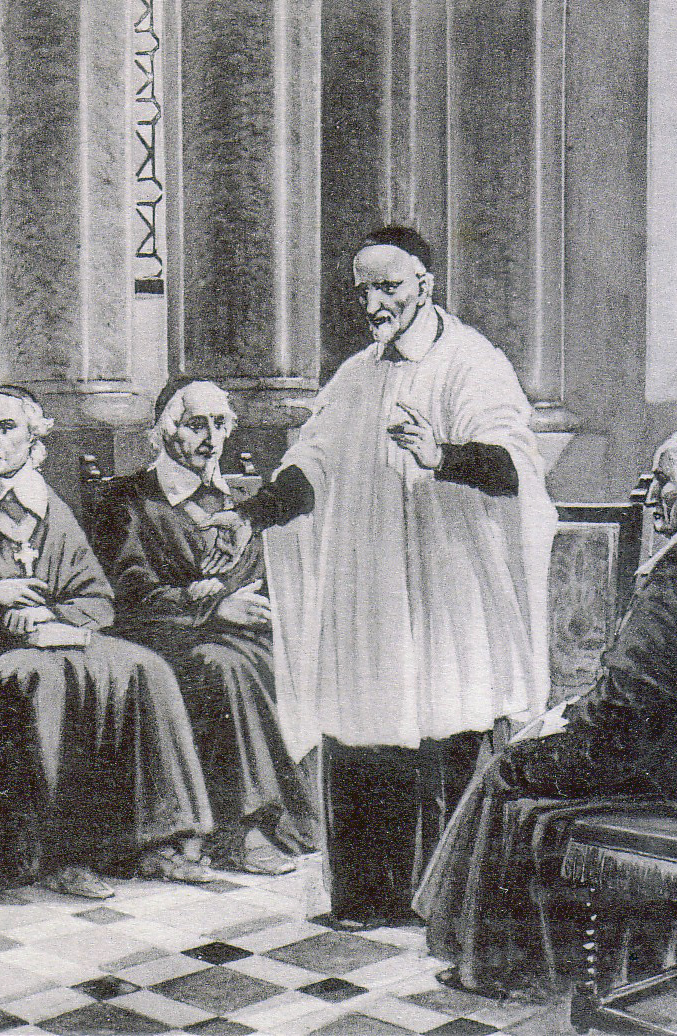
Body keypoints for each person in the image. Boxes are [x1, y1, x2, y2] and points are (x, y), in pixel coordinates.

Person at [204, 226, 556, 927]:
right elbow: (313, 463)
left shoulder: (471, 361)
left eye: (389, 286)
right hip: (369, 589)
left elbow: (515, 463)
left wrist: (443, 455)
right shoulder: (355, 375)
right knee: (363, 727)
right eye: (363, 288)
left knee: (447, 730)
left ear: (425, 284)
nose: (373, 303)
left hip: (445, 589)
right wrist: (254, 513)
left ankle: (448, 903)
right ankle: (368, 899)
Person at [413, 428, 677, 996]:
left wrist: (568, 719)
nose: (649, 495)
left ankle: (498, 964)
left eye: (661, 481)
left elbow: (626, 708)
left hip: (671, 776)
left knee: (509, 766)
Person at [0, 386, 214, 898]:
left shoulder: (50, 506)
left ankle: (160, 839)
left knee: (146, 667)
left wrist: (50, 615)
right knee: (44, 679)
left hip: (52, 640)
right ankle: (58, 854)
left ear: (33, 438)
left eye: (7, 429)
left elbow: (98, 599)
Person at [88, 380, 318, 876]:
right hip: (164, 639)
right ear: (165, 431)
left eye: (219, 424)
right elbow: (127, 595)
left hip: (242, 637)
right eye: (196, 425)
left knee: (293, 658)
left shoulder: (242, 501)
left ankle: (301, 817)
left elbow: (268, 578)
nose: (211, 438)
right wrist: (213, 611)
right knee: (223, 666)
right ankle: (243, 829)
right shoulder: (125, 501)